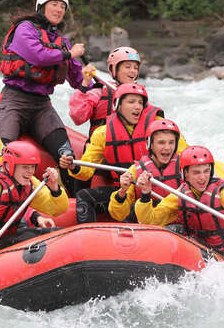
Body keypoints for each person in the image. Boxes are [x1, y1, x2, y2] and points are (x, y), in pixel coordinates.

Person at [0, 0, 93, 188]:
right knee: (0, 152)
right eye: (54, 4)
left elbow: (76, 79)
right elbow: (37, 56)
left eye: (62, 6)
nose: (58, 9)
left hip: (41, 106)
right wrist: (69, 54)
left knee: (67, 155)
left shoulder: (62, 42)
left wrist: (89, 81)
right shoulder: (25, 29)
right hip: (14, 101)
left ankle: (74, 202)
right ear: (42, 7)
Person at [59, 83, 188, 224]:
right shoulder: (104, 133)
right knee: (84, 196)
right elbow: (86, 170)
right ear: (117, 105)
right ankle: (88, 237)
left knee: (137, 209)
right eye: (131, 102)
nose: (137, 106)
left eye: (140, 103)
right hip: (125, 188)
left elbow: (184, 158)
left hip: (161, 189)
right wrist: (73, 167)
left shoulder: (159, 128)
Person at [134, 145, 224, 265]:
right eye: (196, 172)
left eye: (206, 171)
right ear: (186, 174)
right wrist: (145, 194)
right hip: (195, 251)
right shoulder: (180, 195)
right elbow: (150, 221)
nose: (203, 177)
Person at [0, 140, 69, 265]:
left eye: (32, 166)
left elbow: (57, 209)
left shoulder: (30, 182)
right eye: (25, 167)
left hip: (7, 237)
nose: (30, 171)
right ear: (9, 165)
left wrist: (54, 188)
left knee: (58, 235)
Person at [108, 119, 184, 223]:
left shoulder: (185, 168)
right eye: (161, 142)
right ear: (150, 144)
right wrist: (122, 192)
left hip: (176, 227)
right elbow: (118, 215)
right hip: (147, 226)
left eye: (171, 142)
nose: (167, 148)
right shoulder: (135, 171)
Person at [69, 46, 141, 137]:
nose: (133, 71)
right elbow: (78, 117)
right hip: (102, 146)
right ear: (113, 69)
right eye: (128, 67)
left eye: (136, 68)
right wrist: (85, 83)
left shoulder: (140, 95)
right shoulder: (99, 92)